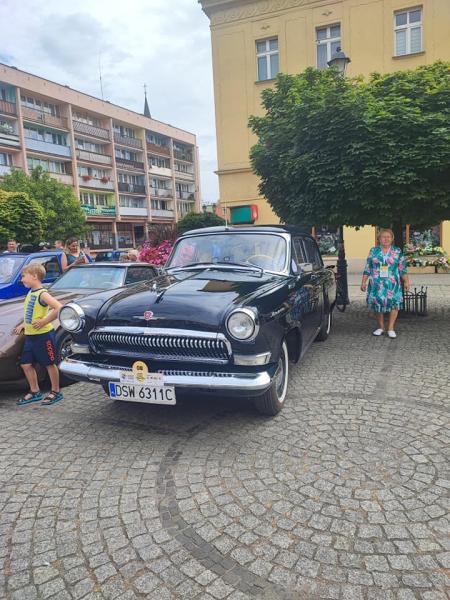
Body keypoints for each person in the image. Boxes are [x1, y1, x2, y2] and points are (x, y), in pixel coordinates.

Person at [14, 263, 63, 405]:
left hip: (43, 335)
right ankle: (35, 391)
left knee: (49, 363)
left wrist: (45, 321)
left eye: (24, 276)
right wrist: (24, 324)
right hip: (31, 336)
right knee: (25, 364)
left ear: (34, 276)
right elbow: (31, 312)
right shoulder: (30, 292)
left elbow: (58, 307)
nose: (22, 279)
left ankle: (55, 391)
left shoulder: (43, 294)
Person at [361, 228, 410, 338]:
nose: (386, 239)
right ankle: (381, 327)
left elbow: (402, 268)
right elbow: (368, 267)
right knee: (378, 303)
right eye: (383, 237)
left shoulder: (397, 251)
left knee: (394, 304)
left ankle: (391, 328)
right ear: (379, 239)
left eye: (388, 237)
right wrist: (363, 282)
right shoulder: (373, 251)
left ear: (392, 239)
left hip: (393, 284)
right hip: (376, 283)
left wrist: (406, 281)